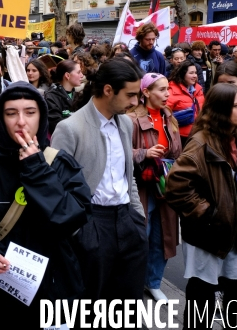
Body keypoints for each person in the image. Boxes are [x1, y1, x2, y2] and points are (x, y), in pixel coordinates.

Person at [0, 81, 91, 329]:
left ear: (41, 116)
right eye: (11, 113)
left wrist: (36, 170)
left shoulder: (60, 163)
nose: (21, 121)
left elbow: (73, 219)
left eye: (30, 112)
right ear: (1, 119)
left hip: (53, 292)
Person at [51, 58, 148, 315]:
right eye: (130, 94)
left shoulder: (125, 124)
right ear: (108, 90)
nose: (135, 102)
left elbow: (128, 175)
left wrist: (138, 218)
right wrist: (79, 231)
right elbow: (56, 190)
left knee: (127, 306)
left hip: (127, 221)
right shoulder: (69, 128)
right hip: (90, 224)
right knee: (92, 307)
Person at [166, 83, 237, 329]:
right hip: (207, 235)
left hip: (234, 233)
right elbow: (175, 187)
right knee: (201, 298)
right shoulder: (200, 143)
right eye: (236, 105)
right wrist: (209, 214)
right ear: (220, 109)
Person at [128, 73, 182, 302]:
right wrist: (144, 153)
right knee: (143, 237)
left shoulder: (169, 115)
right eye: (161, 90)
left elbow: (177, 151)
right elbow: (117, 152)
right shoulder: (130, 119)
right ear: (146, 92)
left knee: (164, 237)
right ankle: (134, 284)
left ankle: (153, 282)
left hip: (165, 185)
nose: (167, 94)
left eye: (167, 90)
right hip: (141, 186)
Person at [167, 61, 205, 147]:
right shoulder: (171, 91)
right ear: (182, 74)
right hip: (180, 137)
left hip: (198, 134)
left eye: (195, 73)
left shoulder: (199, 90)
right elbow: (165, 116)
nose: (195, 75)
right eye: (191, 73)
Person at [45, 60, 83, 134]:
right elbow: (56, 126)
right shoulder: (51, 97)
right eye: (78, 72)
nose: (82, 75)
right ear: (67, 75)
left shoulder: (78, 95)